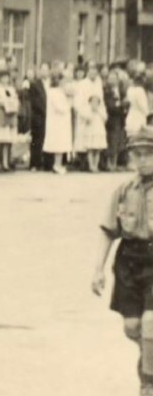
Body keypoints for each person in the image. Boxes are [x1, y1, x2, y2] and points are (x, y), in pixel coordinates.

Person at [91, 126, 153, 396]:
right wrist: (98, 270)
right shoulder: (124, 190)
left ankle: (148, 382)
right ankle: (149, 355)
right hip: (129, 261)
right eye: (137, 155)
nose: (142, 160)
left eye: (149, 154)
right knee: (133, 328)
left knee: (151, 324)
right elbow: (108, 231)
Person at [0, 69, 19, 172]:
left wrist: (11, 103)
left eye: (6, 77)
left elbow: (15, 100)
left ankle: (5, 163)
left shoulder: (11, 88)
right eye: (2, 77)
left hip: (9, 113)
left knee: (7, 141)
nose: (5, 79)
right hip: (0, 113)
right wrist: (7, 102)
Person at [44, 73, 73, 174]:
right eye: (63, 80)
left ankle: (58, 164)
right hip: (57, 121)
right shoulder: (53, 92)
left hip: (62, 121)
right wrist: (69, 102)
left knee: (61, 143)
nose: (65, 83)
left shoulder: (61, 92)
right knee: (58, 143)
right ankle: (56, 165)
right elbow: (60, 107)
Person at [29, 62, 50, 171]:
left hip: (50, 117)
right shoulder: (34, 84)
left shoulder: (51, 84)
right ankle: (34, 163)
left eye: (46, 70)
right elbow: (35, 101)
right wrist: (45, 110)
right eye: (42, 69)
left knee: (48, 139)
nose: (44, 72)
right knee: (37, 140)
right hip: (39, 116)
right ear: (39, 71)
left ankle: (46, 163)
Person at [107, 69, 128, 170]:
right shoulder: (106, 90)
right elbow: (109, 104)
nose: (113, 80)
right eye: (111, 78)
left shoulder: (121, 90)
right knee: (111, 140)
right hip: (110, 117)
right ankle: (109, 163)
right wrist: (119, 105)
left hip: (119, 118)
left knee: (118, 140)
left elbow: (125, 101)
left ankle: (115, 163)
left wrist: (123, 106)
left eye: (115, 78)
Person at [127, 74, 149, 139]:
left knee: (131, 135)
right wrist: (147, 113)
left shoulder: (130, 90)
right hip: (139, 115)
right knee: (139, 134)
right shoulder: (140, 91)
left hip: (131, 113)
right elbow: (143, 106)